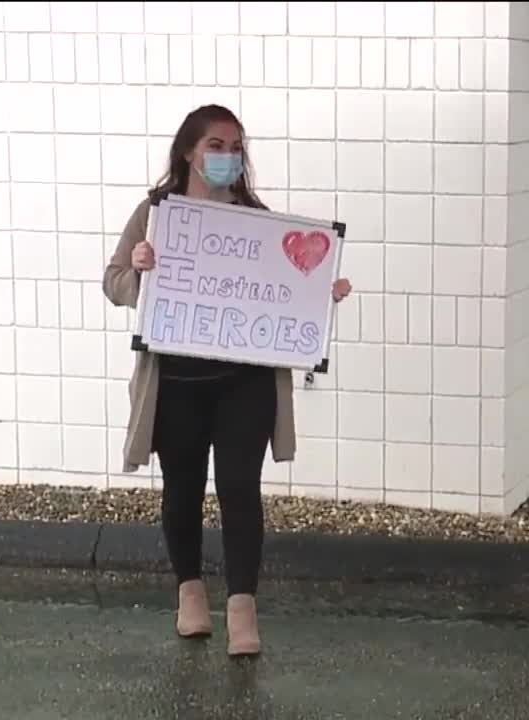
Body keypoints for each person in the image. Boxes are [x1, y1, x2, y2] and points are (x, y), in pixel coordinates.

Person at [102, 104, 353, 658]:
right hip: (176, 382)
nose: (227, 157)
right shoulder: (156, 213)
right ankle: (190, 591)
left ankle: (243, 606)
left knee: (240, 488)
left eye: (235, 147)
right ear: (189, 151)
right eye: (215, 146)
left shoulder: (256, 219)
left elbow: (285, 288)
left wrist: (319, 298)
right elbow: (113, 280)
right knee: (183, 487)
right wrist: (139, 270)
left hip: (245, 383)